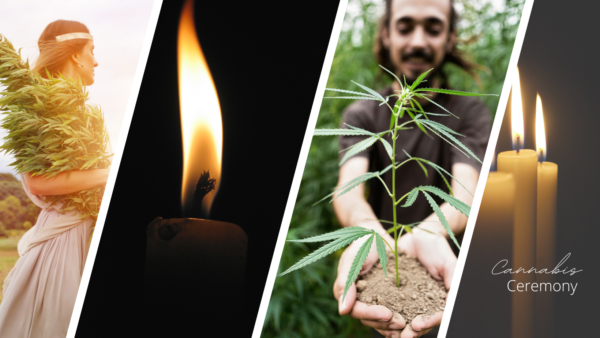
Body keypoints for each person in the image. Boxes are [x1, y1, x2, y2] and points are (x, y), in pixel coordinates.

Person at [331, 0, 491, 337]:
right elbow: (348, 191)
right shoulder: (363, 114)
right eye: (405, 27)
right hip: (381, 271)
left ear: (449, 38)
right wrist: (367, 232)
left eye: (433, 28)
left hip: (443, 272)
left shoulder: (468, 112)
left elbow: (467, 192)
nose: (418, 41)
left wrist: (431, 232)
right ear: (386, 34)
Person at [0, 20, 109, 337]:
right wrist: (107, 175)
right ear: (76, 55)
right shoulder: (38, 106)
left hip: (85, 235)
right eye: (92, 51)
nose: (96, 60)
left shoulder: (85, 113)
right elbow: (37, 182)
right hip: (61, 244)